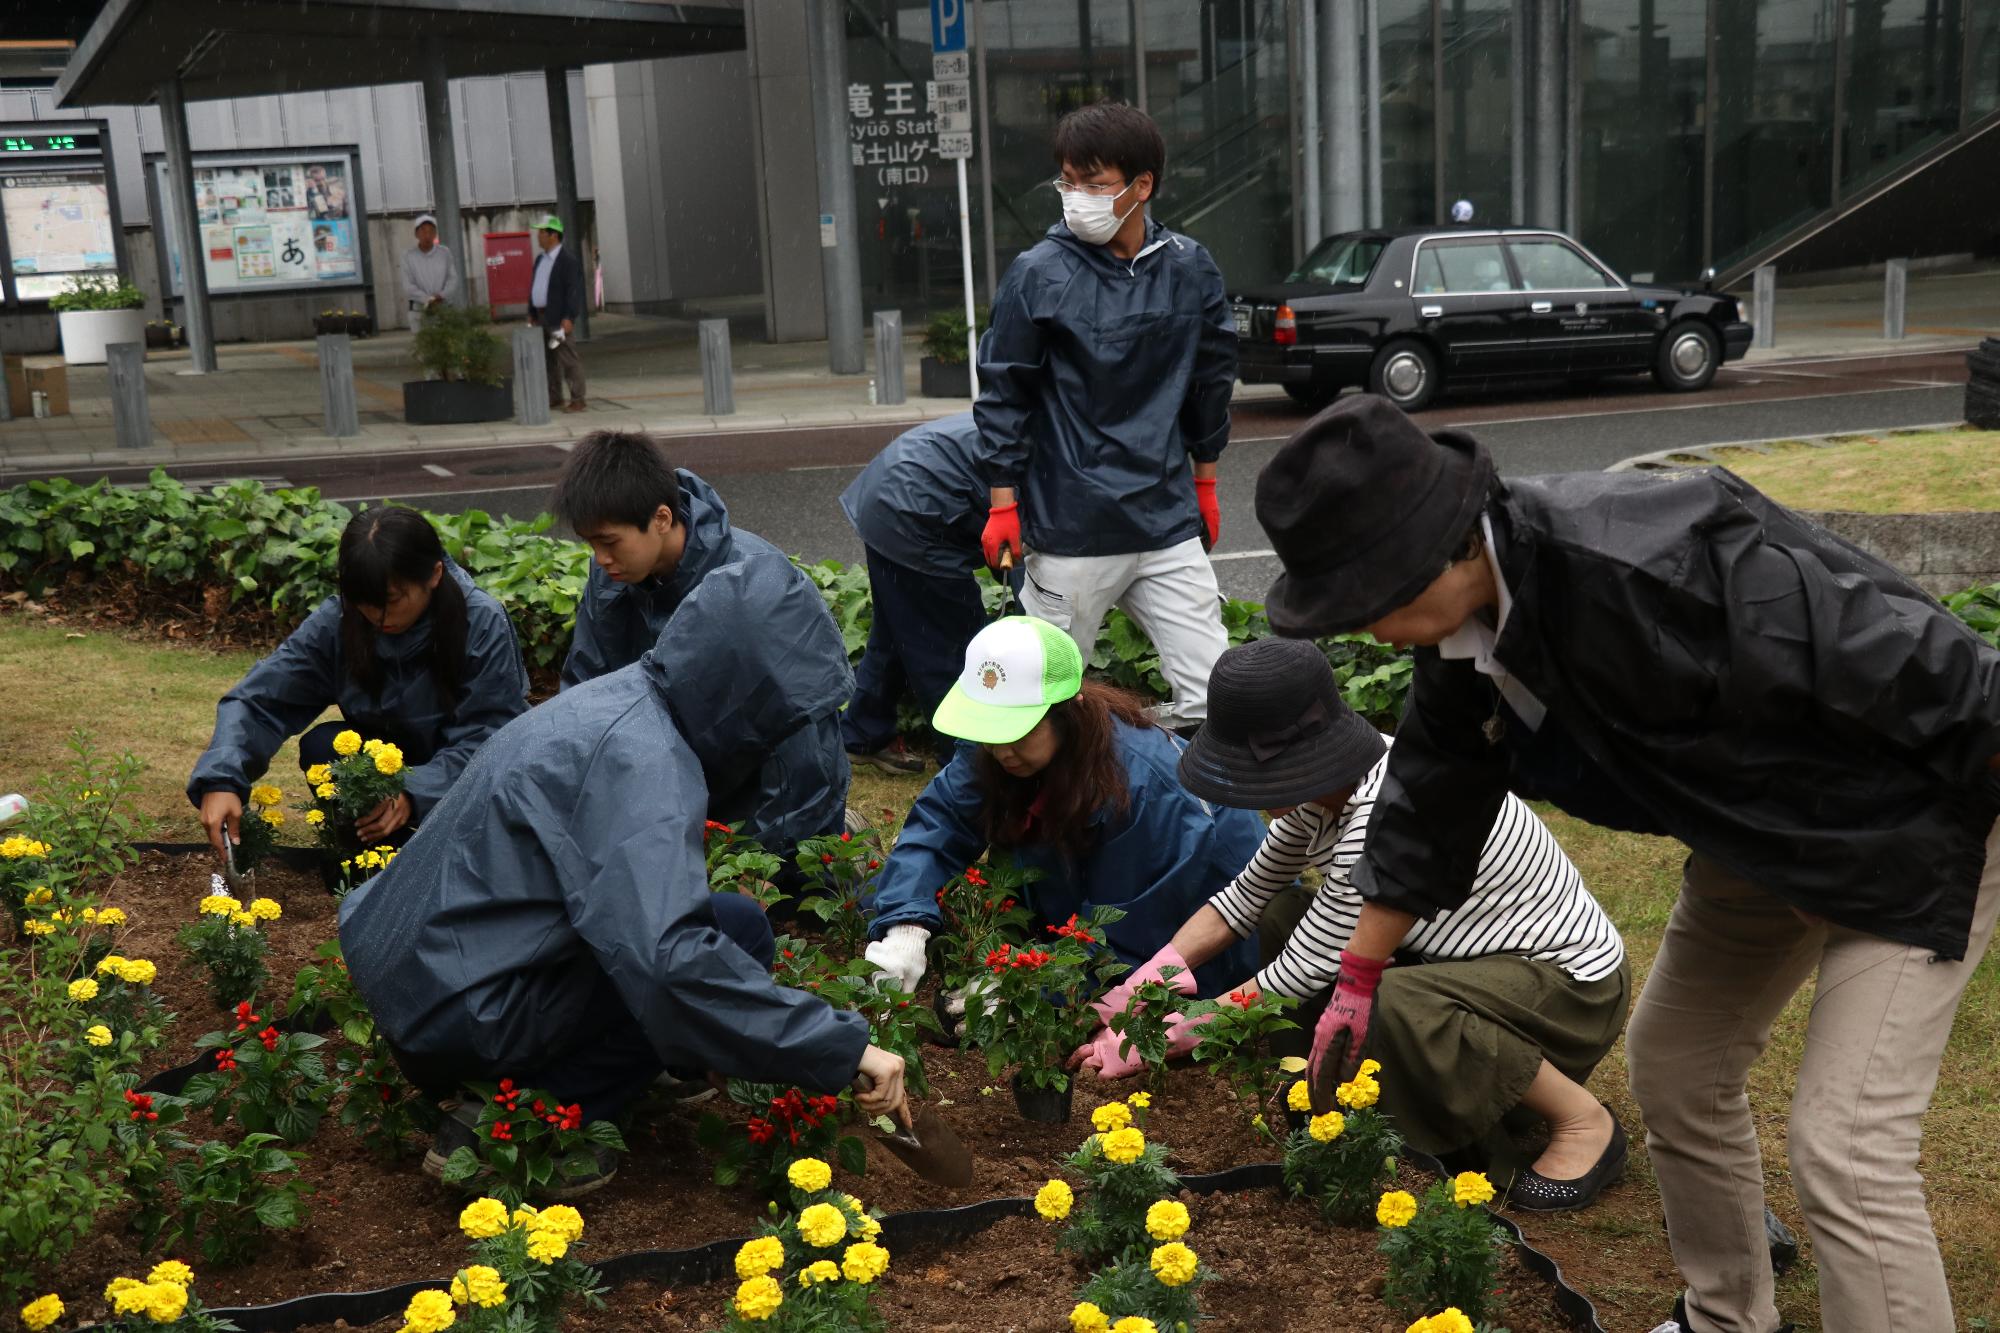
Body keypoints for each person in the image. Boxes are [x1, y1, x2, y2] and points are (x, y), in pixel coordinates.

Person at [1254, 393, 2000, 1333]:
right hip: (1759, 833)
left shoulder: (1658, 562)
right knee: (1679, 1066)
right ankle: (1728, 1317)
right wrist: (1358, 975)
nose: (1363, 632)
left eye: (1365, 606)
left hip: (1909, 826)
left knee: (1847, 1147)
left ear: (1441, 552)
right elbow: (1432, 794)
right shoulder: (1467, 633)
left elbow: (1917, 664)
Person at [338, 605, 909, 1199]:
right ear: (742, 697)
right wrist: (844, 1046)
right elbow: (670, 964)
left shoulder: (617, 700)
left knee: (734, 922)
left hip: (415, 976)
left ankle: (628, 1068)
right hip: (461, 1019)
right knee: (707, 953)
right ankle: (517, 1122)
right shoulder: (645, 763)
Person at [1071, 637, 1630, 1202]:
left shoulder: (1381, 814)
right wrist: (1146, 983)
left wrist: (1173, 1034)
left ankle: (1583, 1122)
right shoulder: (1325, 792)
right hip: (1457, 962)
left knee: (1398, 1002)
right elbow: (1244, 898)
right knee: (1286, 912)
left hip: (1564, 992)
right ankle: (1336, 1075)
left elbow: (1305, 970)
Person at [974, 101, 1237, 733]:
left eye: (1094, 185)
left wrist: (1205, 484)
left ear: (1142, 185)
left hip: (1166, 517)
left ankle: (1163, 799)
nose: (1076, 198)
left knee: (1217, 700)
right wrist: (1002, 504)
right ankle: (1040, 813)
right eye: (1069, 182)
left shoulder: (1189, 266)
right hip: (1072, 525)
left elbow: (1210, 383)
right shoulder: (1039, 273)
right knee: (1040, 702)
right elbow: (1003, 393)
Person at [862, 616, 1263, 998]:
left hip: (1213, 937)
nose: (1002, 749)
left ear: (1067, 713)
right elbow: (940, 824)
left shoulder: (1145, 790)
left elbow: (1127, 937)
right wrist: (905, 925)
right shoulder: (993, 745)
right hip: (1084, 904)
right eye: (990, 727)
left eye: (1017, 730)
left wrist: (1021, 990)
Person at [554, 430, 851, 853]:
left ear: (661, 518)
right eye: (591, 544)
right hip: (666, 796)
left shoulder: (753, 588)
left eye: (609, 542)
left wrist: (762, 863)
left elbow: (805, 757)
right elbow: (586, 695)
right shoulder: (612, 579)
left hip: (751, 813)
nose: (600, 559)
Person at [188, 508, 529, 854]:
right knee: (326, 746)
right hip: (381, 786)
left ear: (434, 575)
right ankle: (369, 857)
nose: (378, 618)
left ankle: (426, 852)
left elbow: (491, 740)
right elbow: (261, 700)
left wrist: (414, 791)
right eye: (364, 603)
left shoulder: (482, 622)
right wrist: (222, 778)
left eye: (392, 601)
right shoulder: (338, 621)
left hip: (463, 792)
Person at [838, 411, 991, 776]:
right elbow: (1030, 562)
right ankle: (967, 762)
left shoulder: (1034, 421)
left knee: (898, 629)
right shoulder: (1058, 454)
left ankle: (864, 731)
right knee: (955, 648)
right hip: (913, 512)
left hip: (890, 494)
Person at [529, 214, 585, 413]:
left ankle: (578, 399)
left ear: (554, 235)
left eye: (542, 232)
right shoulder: (540, 259)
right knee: (549, 361)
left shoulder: (567, 260)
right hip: (542, 316)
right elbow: (535, 286)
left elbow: (574, 290)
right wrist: (532, 312)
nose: (538, 236)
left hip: (560, 318)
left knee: (568, 359)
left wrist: (569, 317)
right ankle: (555, 397)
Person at [400, 213, 458, 313]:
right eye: (423, 231)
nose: (427, 235)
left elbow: (452, 279)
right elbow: (408, 285)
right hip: (418, 310)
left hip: (443, 309)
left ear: (435, 234)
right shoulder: (408, 256)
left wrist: (441, 295)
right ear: (416, 234)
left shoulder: (444, 253)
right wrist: (427, 299)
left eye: (431, 231)